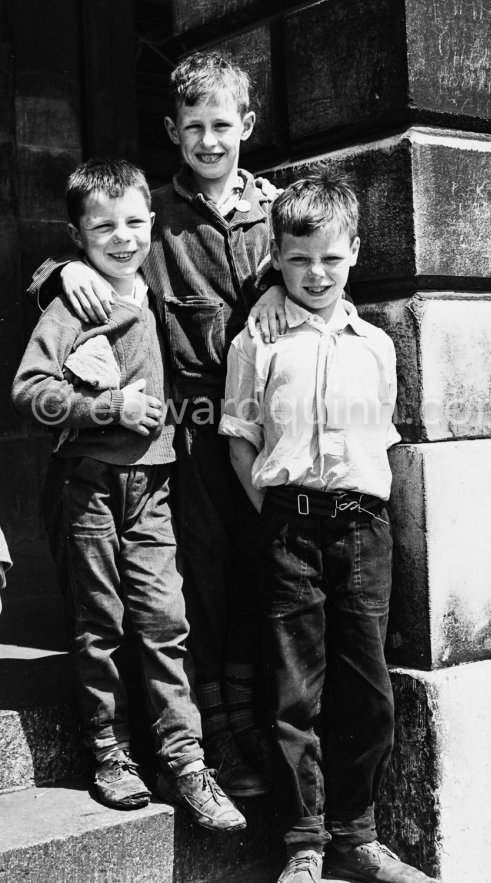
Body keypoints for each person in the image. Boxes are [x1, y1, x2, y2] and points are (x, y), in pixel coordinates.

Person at [27, 51, 287, 797]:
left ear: (247, 125)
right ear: (173, 131)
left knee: (256, 570)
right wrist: (60, 272)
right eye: (193, 127)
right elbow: (95, 246)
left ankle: (254, 721)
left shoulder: (274, 208)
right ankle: (215, 736)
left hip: (268, 421)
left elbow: (318, 258)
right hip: (188, 424)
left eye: (222, 125)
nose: (209, 141)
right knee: (194, 581)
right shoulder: (153, 213)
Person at [12, 158, 247, 833]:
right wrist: (106, 405)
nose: (122, 237)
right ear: (77, 235)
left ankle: (186, 759)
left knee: (165, 619)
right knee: (101, 622)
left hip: (156, 483)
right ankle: (111, 754)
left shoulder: (152, 285)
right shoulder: (71, 302)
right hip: (86, 484)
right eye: (103, 226)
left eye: (135, 222)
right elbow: (30, 392)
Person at [220, 172, 438, 882]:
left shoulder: (375, 345)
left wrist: (355, 519)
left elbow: (384, 440)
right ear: (278, 258)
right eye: (299, 258)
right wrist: (279, 519)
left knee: (367, 689)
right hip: (289, 529)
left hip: (364, 531)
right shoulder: (258, 339)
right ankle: (304, 842)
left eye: (331, 259)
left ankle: (359, 833)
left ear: (354, 255)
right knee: (294, 691)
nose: (316, 273)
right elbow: (240, 440)